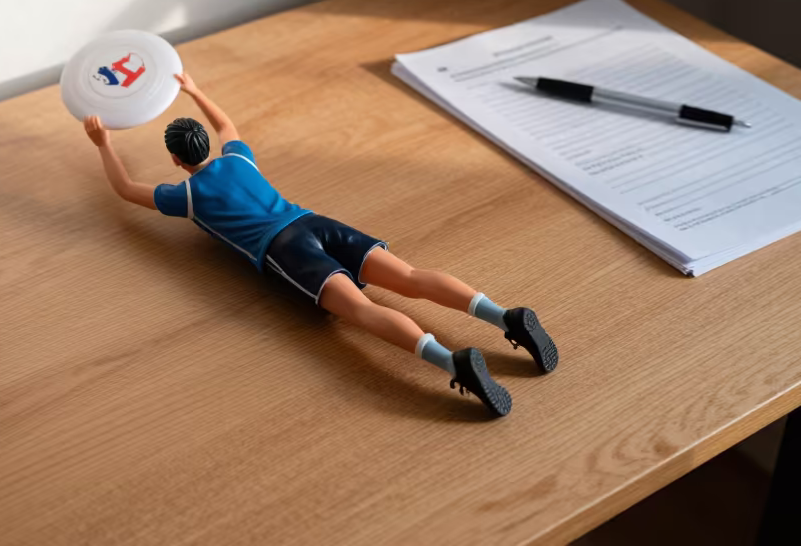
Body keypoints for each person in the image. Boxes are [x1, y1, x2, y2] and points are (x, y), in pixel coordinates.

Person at [83, 72, 558, 417]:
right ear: (206, 144)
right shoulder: (239, 158)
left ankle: (450, 360)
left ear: (174, 158)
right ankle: (504, 316)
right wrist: (193, 88)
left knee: (360, 311)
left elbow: (125, 189)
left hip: (287, 248)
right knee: (410, 277)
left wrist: (102, 141)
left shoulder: (185, 195)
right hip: (316, 222)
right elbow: (227, 124)